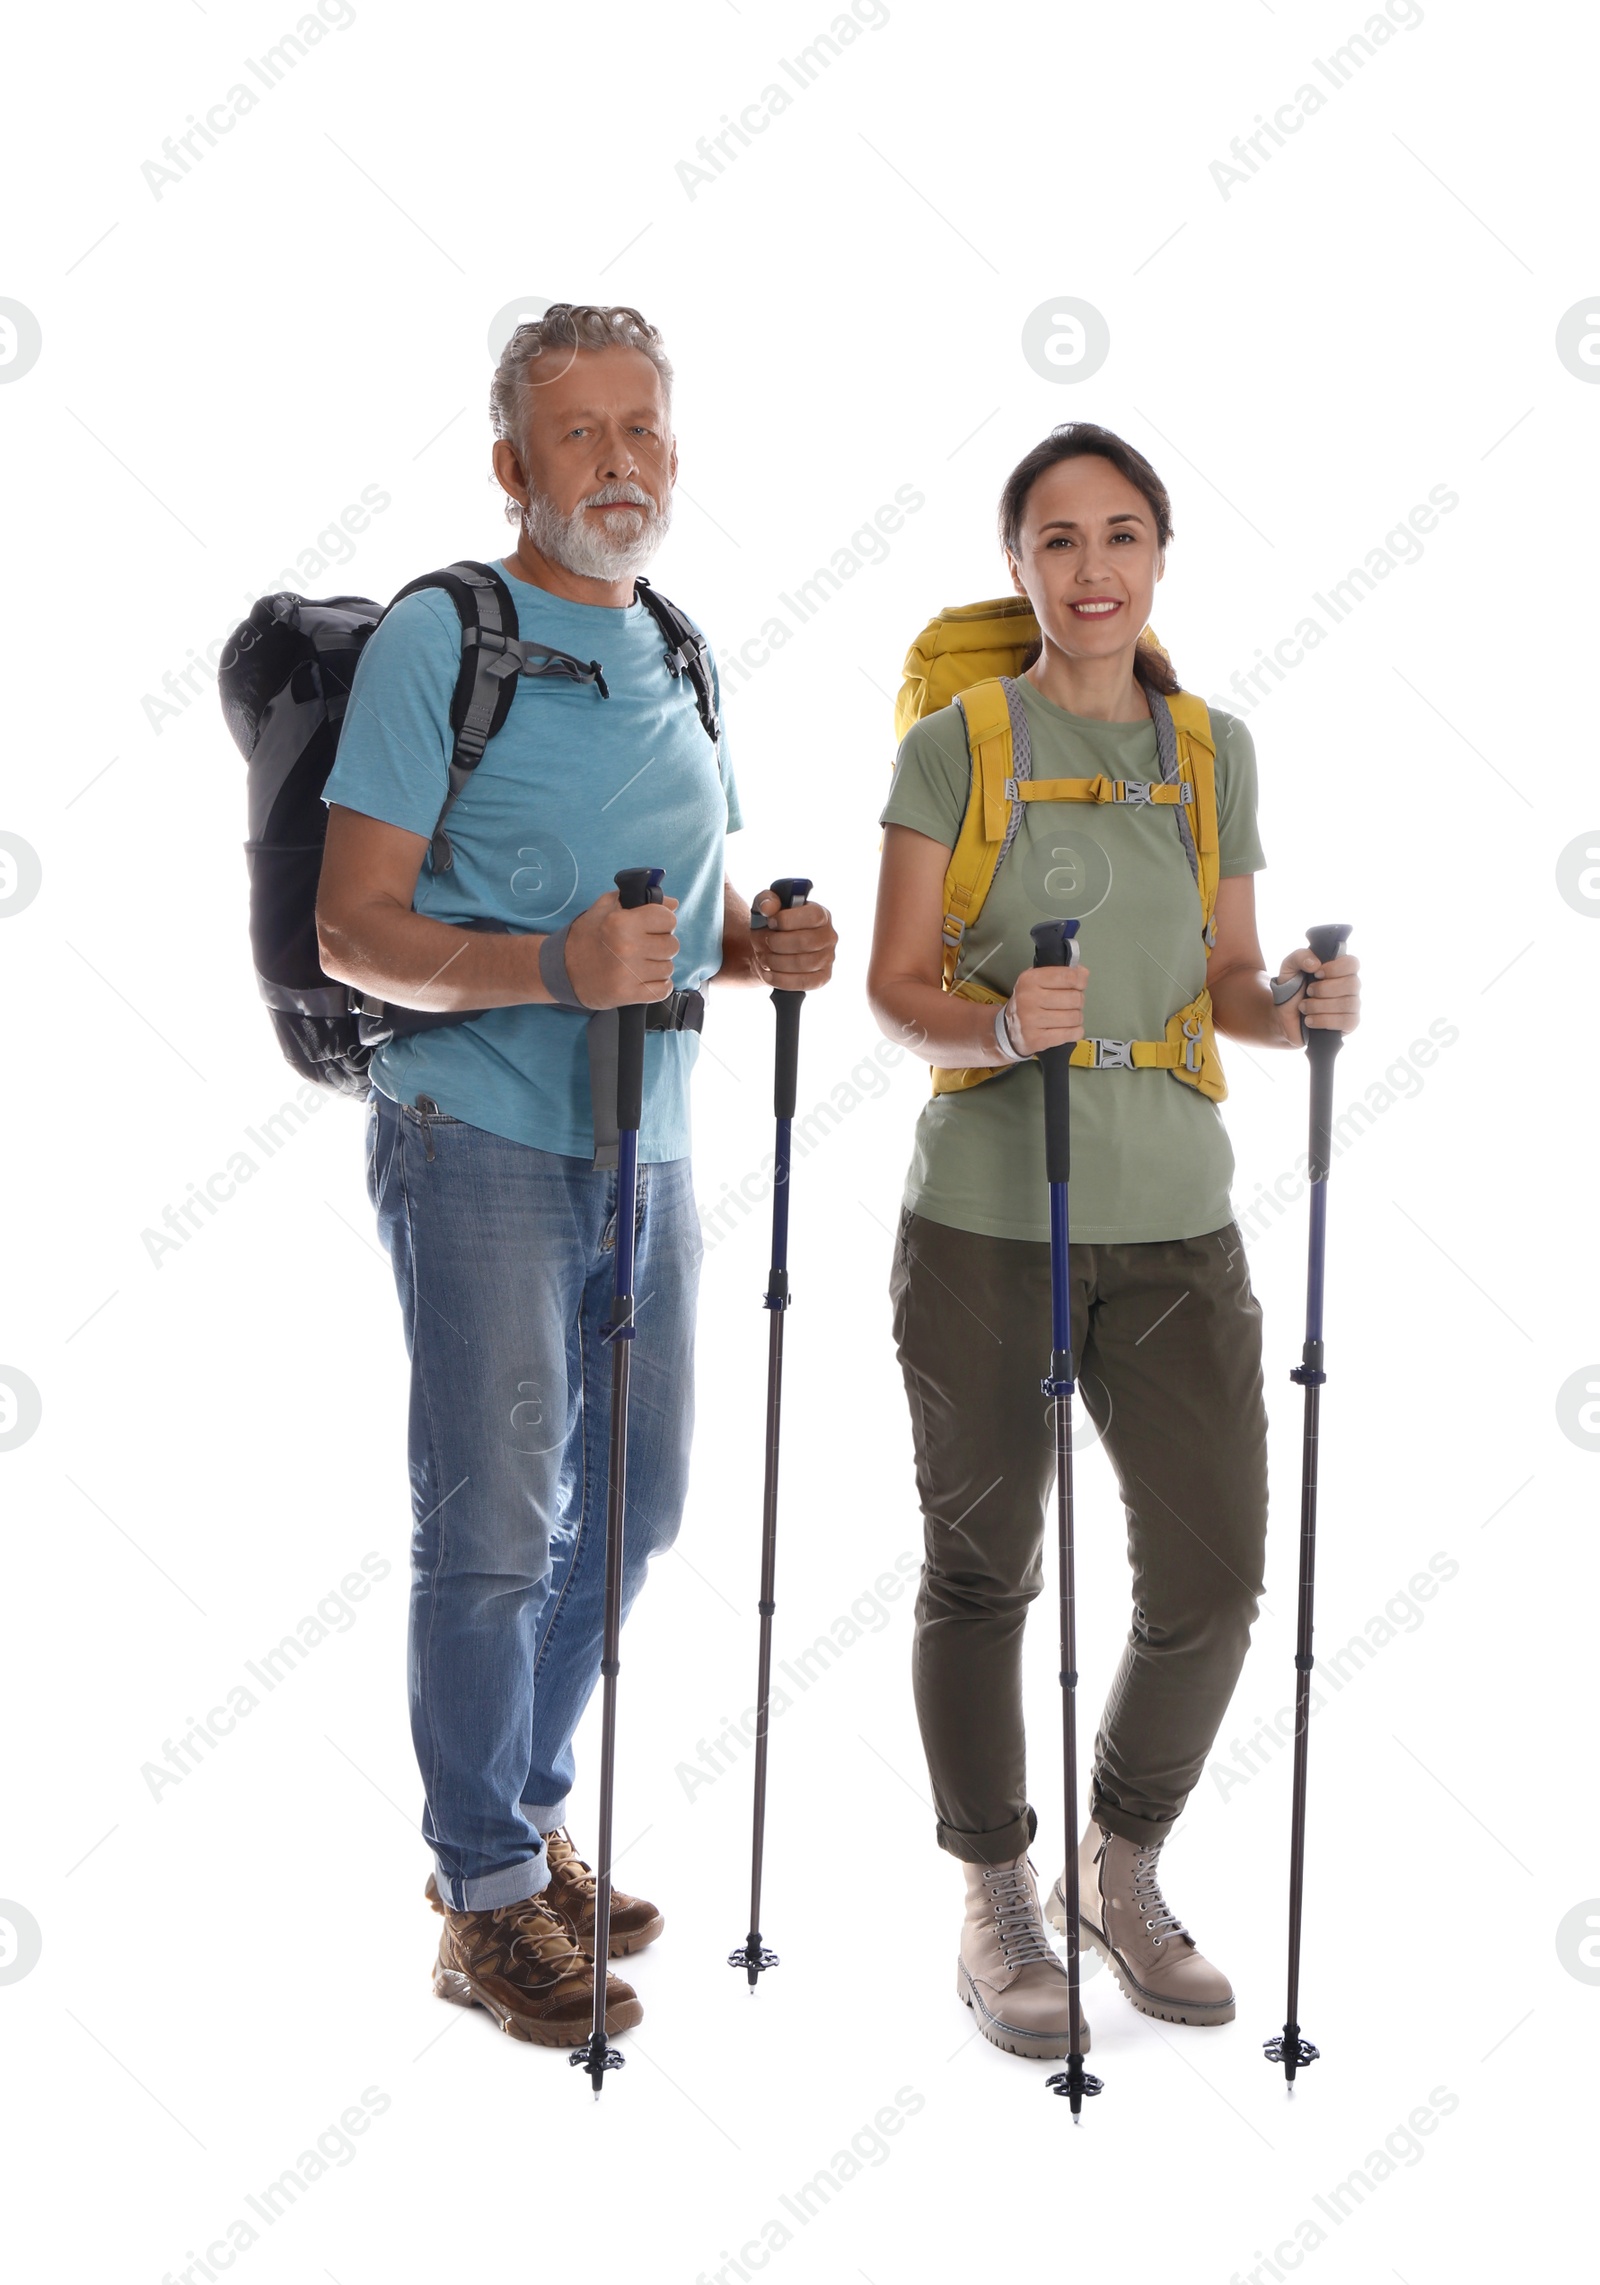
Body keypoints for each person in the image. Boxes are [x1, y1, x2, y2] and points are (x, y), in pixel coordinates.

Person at [315, 303, 836, 2048]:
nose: (621, 459)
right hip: (475, 1137)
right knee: (488, 1527)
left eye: (647, 429)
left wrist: (765, 944)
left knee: (638, 1505)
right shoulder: (435, 639)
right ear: (511, 465)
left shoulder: (677, 644)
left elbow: (681, 914)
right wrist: (545, 970)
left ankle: (519, 1823)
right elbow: (354, 927)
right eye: (580, 431)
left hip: (655, 1139)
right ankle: (478, 1899)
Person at [867, 421, 1359, 2060]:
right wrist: (1006, 1025)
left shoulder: (1212, 750)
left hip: (1174, 1225)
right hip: (990, 1222)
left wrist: (1295, 1004)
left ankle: (1118, 1862)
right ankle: (995, 1893)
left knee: (1214, 1580)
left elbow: (1224, 985)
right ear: (1018, 566)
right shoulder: (957, 742)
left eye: (1123, 535)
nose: (1094, 569)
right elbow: (896, 987)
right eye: (1060, 540)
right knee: (981, 1570)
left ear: (1161, 559)